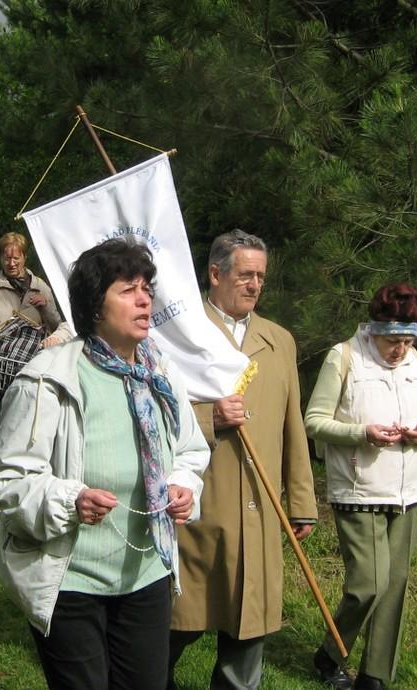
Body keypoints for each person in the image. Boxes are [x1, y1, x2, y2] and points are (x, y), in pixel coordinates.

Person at [0, 238, 210, 690]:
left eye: (146, 287)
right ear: (94, 306)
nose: (145, 298)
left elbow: (190, 449)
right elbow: (9, 481)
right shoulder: (48, 378)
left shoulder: (160, 376)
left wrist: (184, 484)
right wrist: (72, 501)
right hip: (70, 580)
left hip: (147, 572)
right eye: (127, 289)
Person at [169, 229, 317, 690]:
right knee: (177, 625)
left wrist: (301, 500)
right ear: (216, 274)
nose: (254, 285)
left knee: (248, 630)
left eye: (261, 277)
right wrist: (208, 416)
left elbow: (293, 425)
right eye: (245, 275)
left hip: (260, 509)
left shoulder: (279, 341)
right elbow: (149, 412)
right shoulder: (179, 334)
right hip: (197, 509)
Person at [304, 282, 417, 690]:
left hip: (408, 491)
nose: (399, 348)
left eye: (406, 340)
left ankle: (375, 676)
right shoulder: (344, 357)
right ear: (373, 327)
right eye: (392, 339)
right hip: (358, 489)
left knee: (395, 587)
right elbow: (314, 420)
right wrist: (362, 432)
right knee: (369, 584)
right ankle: (331, 653)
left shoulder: (414, 363)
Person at [0, 231, 71, 389]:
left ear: (24, 257)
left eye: (16, 258)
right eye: (7, 258)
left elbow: (56, 328)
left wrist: (45, 306)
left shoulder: (40, 287)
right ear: (0, 258)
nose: (11, 263)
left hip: (31, 370)